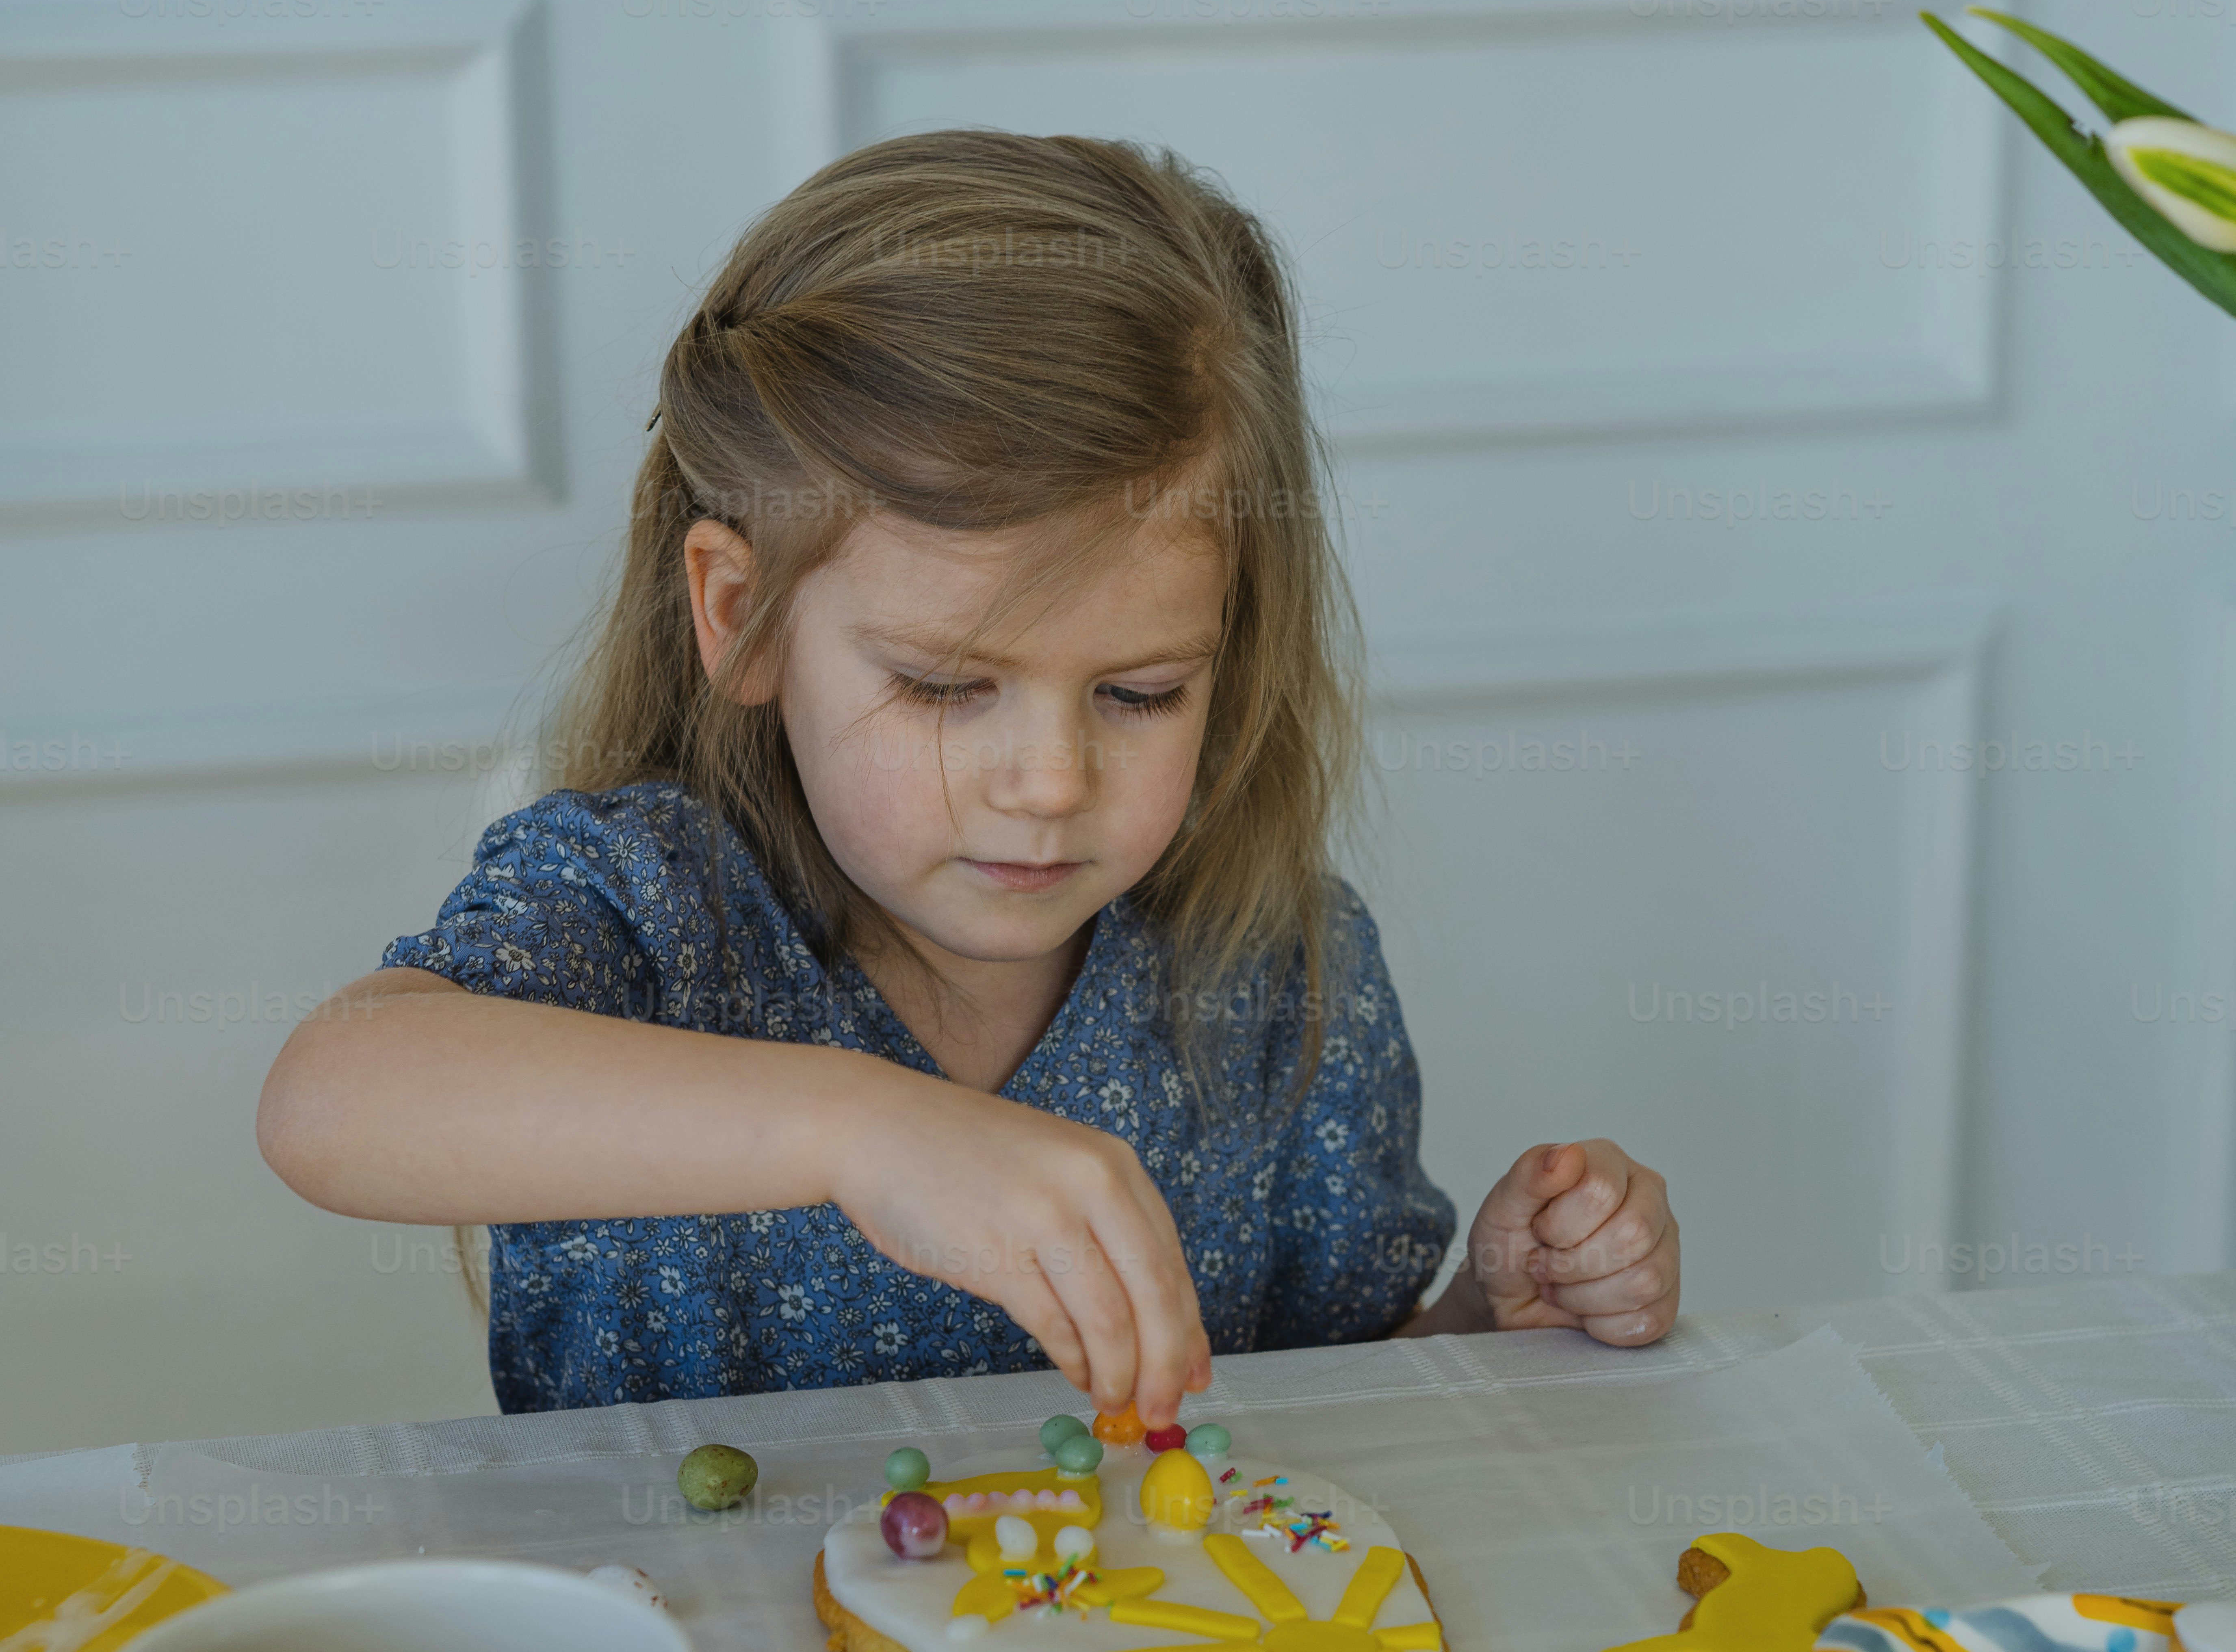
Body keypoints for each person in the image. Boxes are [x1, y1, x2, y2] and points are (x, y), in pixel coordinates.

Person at [259, 132, 1678, 1422]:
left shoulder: (1278, 977)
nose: (1049, 781)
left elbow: (1324, 1431)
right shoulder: (645, 911)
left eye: (1140, 693)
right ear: (740, 617)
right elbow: (329, 1099)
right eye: (945, 688)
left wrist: (1501, 1323)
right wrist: (862, 1129)